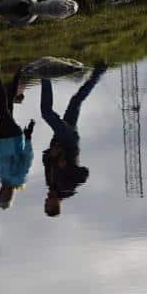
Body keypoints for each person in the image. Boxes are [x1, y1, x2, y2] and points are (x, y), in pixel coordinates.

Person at [40, 64, 107, 217]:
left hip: (60, 139)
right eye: (48, 204)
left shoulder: (51, 184)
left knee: (75, 101)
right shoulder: (67, 188)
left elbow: (46, 159)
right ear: (56, 205)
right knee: (47, 113)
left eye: (45, 203)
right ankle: (44, 74)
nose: (46, 200)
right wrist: (66, 165)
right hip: (69, 141)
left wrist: (51, 154)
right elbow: (84, 173)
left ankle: (99, 71)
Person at [0, 65, 34, 209]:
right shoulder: (18, 178)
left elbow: (0, 155)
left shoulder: (2, 178)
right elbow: (27, 157)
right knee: (3, 107)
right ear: (7, 196)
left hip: (2, 138)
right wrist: (28, 138)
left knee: (8, 106)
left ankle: (18, 72)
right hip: (13, 137)